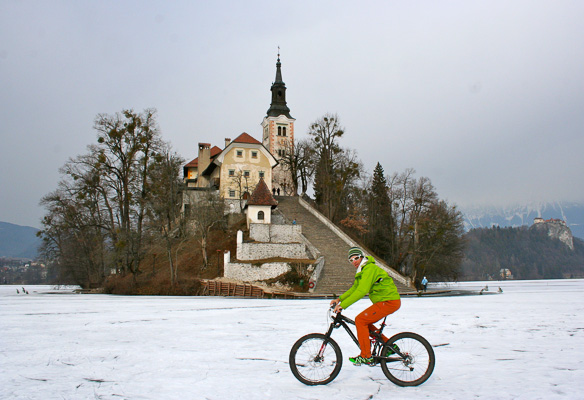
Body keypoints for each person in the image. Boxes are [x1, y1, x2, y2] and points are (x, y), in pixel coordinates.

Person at [330, 247, 401, 366]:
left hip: (389, 301)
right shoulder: (362, 270)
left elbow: (362, 291)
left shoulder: (369, 269)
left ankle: (366, 356)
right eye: (351, 260)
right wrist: (339, 299)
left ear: (362, 257)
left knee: (360, 320)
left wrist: (343, 306)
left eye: (356, 258)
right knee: (365, 323)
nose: (354, 261)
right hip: (384, 301)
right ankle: (388, 345)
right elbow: (355, 288)